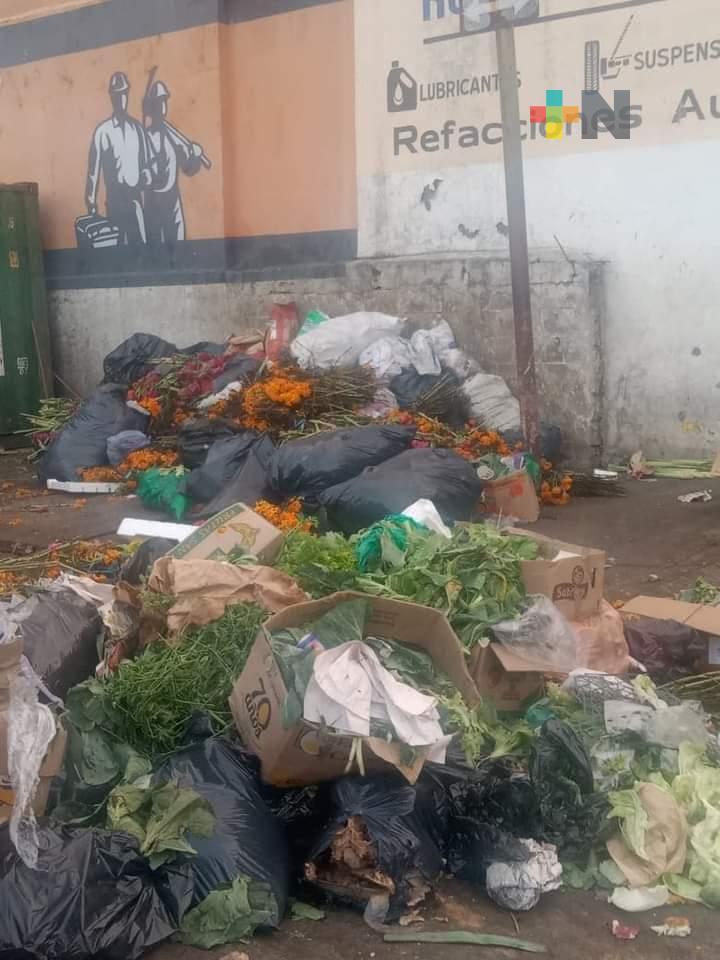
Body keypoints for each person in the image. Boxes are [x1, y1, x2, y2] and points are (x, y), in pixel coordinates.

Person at [85, 72, 151, 245]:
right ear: (111, 97)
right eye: (117, 95)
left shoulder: (137, 129)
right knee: (119, 246)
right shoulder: (103, 131)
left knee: (141, 245)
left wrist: (146, 175)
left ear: (127, 94)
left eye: (124, 93)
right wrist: (91, 202)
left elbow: (146, 164)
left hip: (135, 197)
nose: (121, 98)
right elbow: (93, 170)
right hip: (114, 200)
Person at [143, 80, 207, 243]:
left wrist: (196, 156)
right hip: (153, 204)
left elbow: (189, 169)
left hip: (173, 202)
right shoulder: (144, 137)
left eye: (164, 101)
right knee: (155, 252)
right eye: (158, 102)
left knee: (178, 247)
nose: (162, 105)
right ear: (152, 106)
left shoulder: (175, 138)